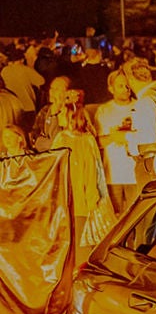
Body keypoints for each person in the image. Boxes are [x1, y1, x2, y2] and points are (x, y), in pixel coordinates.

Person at [50, 90, 116, 260]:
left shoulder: (87, 139)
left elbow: (93, 170)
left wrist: (92, 196)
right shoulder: (61, 138)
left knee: (83, 243)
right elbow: (55, 168)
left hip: (83, 201)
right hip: (65, 200)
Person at [94, 68, 139, 213]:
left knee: (135, 216)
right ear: (111, 88)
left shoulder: (139, 106)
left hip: (135, 174)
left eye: (127, 85)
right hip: (112, 175)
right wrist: (115, 136)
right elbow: (97, 143)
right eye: (120, 86)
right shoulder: (103, 110)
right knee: (114, 219)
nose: (126, 89)